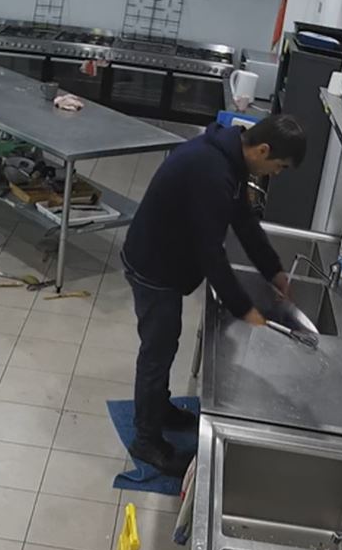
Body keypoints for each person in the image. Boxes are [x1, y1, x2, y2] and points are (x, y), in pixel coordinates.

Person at [120, 114, 307, 475]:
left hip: (167, 259)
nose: (277, 173)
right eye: (279, 166)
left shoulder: (232, 158)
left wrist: (273, 270)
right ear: (263, 149)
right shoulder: (211, 170)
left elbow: (244, 222)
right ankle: (146, 440)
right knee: (157, 351)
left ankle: (158, 408)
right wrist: (243, 308)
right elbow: (210, 251)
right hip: (153, 266)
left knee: (165, 345)